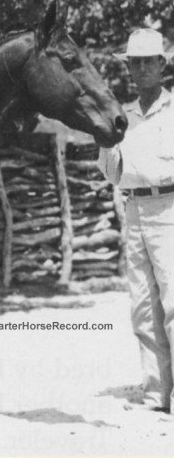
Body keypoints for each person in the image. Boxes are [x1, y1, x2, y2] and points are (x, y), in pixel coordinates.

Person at [98, 28, 174, 412]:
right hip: (134, 209)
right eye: (135, 62)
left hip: (170, 209)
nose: (142, 69)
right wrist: (109, 139)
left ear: (163, 64)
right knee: (143, 306)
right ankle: (155, 391)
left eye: (149, 61)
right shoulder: (121, 117)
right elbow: (110, 174)